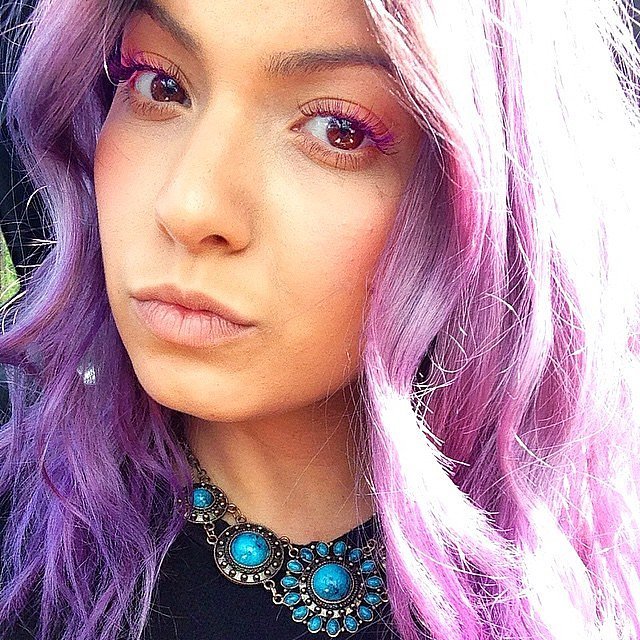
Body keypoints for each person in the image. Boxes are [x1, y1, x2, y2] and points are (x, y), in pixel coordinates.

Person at [0, 0, 639, 638]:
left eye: (340, 130)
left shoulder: (606, 568)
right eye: (158, 84)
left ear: (498, 198)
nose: (190, 207)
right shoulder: (22, 562)